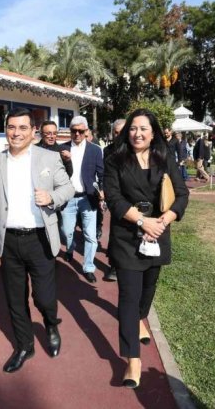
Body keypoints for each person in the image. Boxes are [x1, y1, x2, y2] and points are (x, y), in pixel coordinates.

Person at [0, 108, 75, 373]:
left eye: (23, 128)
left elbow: (68, 188)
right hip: (9, 241)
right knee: (15, 299)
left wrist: (51, 198)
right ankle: (25, 346)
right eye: (11, 127)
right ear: (6, 130)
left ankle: (51, 323)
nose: (16, 133)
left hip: (40, 239)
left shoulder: (48, 158)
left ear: (33, 131)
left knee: (44, 298)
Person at [104, 109, 189, 389]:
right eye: (133, 128)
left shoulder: (165, 158)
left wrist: (164, 220)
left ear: (153, 133)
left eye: (143, 129)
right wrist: (142, 221)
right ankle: (133, 360)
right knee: (129, 297)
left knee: (147, 291)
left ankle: (141, 317)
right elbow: (114, 198)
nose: (137, 134)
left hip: (158, 234)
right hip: (128, 236)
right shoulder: (115, 159)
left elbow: (182, 194)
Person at [60, 116, 104, 283]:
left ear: (86, 131)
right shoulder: (62, 149)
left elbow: (101, 174)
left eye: (80, 131)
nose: (77, 134)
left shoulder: (95, 150)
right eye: (74, 131)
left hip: (88, 197)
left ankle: (88, 267)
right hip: (68, 198)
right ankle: (70, 248)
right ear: (70, 132)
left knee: (90, 236)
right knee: (66, 231)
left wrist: (102, 190)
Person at [103, 118, 126, 282]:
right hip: (116, 197)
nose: (119, 135)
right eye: (116, 132)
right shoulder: (108, 151)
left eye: (122, 132)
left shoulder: (135, 149)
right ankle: (114, 266)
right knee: (116, 232)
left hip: (134, 197)